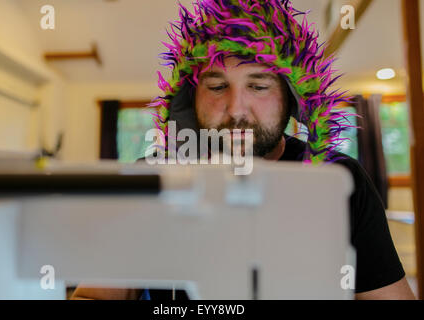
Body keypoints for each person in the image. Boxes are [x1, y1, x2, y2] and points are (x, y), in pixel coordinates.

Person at [72, 0, 415, 300]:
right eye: (218, 86)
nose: (236, 108)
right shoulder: (153, 178)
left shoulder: (340, 181)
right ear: (191, 97)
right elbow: (94, 295)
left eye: (258, 85)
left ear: (291, 96)